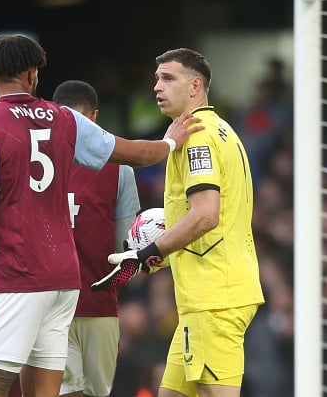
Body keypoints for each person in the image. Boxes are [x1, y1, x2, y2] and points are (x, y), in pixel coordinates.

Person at [0, 34, 203, 397]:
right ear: (32, 75)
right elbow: (138, 153)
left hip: (17, 275)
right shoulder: (65, 119)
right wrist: (171, 141)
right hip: (65, 280)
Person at [98, 48, 265, 397]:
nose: (157, 87)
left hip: (213, 298)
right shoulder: (221, 131)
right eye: (156, 78)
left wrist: (148, 252)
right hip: (204, 298)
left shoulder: (197, 138)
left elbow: (205, 214)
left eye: (168, 78)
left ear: (195, 86)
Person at [54, 80, 140, 397]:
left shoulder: (36, 165)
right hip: (93, 305)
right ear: (95, 117)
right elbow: (125, 248)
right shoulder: (120, 170)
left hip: (57, 304)